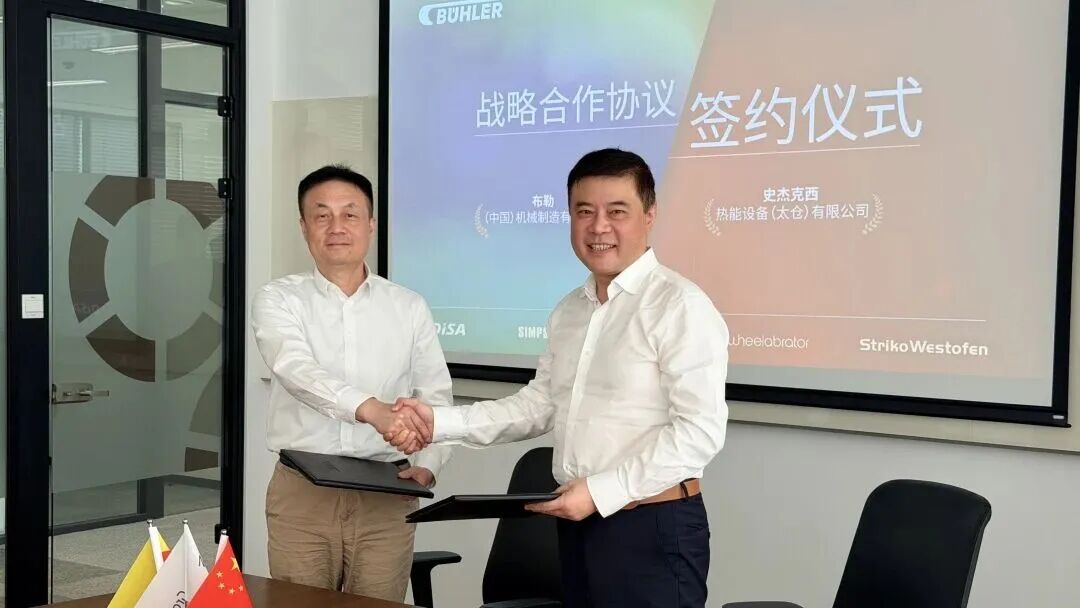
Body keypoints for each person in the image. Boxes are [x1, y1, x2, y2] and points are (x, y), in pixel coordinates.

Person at [389, 148, 729, 607]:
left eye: (617, 211)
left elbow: (698, 433)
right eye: (584, 212)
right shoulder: (570, 310)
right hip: (578, 525)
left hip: (652, 527)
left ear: (650, 215)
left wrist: (601, 492)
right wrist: (438, 422)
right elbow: (540, 405)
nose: (598, 227)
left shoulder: (679, 305)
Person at [251, 164, 446, 602]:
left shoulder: (409, 306)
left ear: (371, 224)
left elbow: (436, 395)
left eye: (350, 214)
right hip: (303, 491)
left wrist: (431, 462)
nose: (336, 227)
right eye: (322, 215)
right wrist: (372, 410)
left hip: (387, 493)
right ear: (304, 227)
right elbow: (296, 369)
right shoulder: (277, 299)